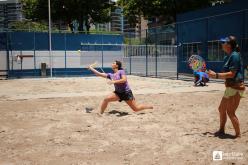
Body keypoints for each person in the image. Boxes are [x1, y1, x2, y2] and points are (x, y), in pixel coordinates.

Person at [208, 36, 246, 138]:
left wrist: (216, 75)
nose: (221, 43)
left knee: (230, 112)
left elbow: (232, 74)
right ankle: (221, 130)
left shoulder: (235, 56)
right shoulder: (227, 57)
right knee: (221, 109)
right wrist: (211, 74)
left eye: (223, 42)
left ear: (228, 45)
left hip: (237, 87)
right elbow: (226, 74)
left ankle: (238, 135)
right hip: (230, 87)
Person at [88, 60, 153, 115]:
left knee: (136, 109)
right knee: (106, 99)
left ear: (117, 66)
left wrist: (114, 82)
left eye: (113, 63)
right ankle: (101, 113)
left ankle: (149, 107)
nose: (112, 64)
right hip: (118, 93)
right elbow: (99, 74)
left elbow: (124, 80)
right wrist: (91, 68)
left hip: (126, 93)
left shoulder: (121, 71)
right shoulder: (111, 75)